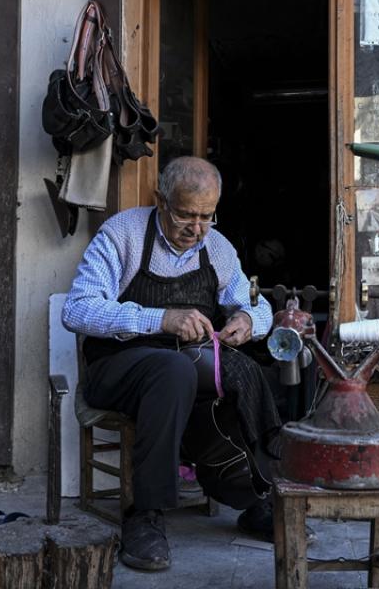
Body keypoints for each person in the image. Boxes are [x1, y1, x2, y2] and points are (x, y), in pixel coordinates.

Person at [62, 156, 290, 572]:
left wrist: (247, 321)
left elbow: (256, 305)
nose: (197, 228)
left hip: (180, 370)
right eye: (186, 214)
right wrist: (160, 318)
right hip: (116, 367)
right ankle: (145, 515)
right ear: (161, 200)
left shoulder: (217, 248)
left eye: (207, 216)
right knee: (175, 370)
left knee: (244, 373)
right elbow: (77, 310)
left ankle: (253, 495)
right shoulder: (123, 234)